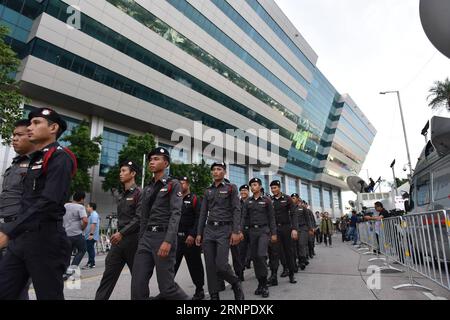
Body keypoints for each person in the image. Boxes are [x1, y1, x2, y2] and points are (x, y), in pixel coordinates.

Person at [0, 108, 76, 300]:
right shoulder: (34, 158)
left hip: (46, 240)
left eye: (36, 123)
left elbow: (49, 201)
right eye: (30, 123)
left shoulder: (60, 157)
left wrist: (9, 230)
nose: (30, 128)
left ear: (53, 128)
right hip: (20, 240)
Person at [131, 147, 188, 300]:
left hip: (163, 237)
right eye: (150, 159)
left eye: (156, 159)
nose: (152, 162)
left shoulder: (173, 184)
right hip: (146, 238)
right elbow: (144, 217)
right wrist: (141, 239)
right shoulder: (147, 188)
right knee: (137, 286)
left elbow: (176, 213)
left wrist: (168, 240)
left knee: (167, 288)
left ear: (166, 163)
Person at [196, 162, 244, 300]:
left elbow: (236, 210)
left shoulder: (231, 188)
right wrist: (199, 233)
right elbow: (203, 213)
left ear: (224, 172)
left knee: (221, 265)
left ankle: (235, 283)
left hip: (225, 229)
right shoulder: (207, 190)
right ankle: (214, 295)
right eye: (214, 170)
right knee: (210, 266)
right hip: (209, 230)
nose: (216, 172)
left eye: (219, 169)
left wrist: (236, 231)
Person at [95, 161, 142, 300]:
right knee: (108, 277)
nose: (120, 173)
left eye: (123, 171)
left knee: (138, 281)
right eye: (120, 171)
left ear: (133, 173)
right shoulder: (122, 194)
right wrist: (119, 234)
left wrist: (122, 233)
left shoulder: (139, 193)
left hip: (133, 242)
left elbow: (139, 218)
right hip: (119, 241)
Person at [0, 119, 36, 300]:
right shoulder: (13, 165)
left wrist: (10, 231)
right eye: (13, 135)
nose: (14, 139)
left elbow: (34, 205)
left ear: (31, 136)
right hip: (3, 229)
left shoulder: (36, 164)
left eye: (19, 135)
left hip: (18, 233)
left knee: (14, 287)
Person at [242, 178, 276, 298]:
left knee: (261, 255)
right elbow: (243, 218)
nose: (253, 187)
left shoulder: (267, 201)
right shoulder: (248, 202)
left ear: (260, 186)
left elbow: (272, 218)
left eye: (255, 185)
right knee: (255, 258)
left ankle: (264, 285)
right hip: (252, 232)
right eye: (251, 185)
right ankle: (260, 284)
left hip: (264, 231)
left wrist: (273, 233)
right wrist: (240, 231)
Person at [174, 176, 205, 300]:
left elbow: (199, 218)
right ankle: (167, 290)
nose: (181, 185)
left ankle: (199, 290)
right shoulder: (175, 199)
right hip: (176, 239)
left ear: (188, 184)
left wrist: (193, 234)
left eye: (183, 183)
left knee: (195, 265)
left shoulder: (195, 199)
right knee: (171, 266)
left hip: (189, 240)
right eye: (179, 183)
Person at [268, 180, 298, 286]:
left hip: (286, 228)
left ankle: (291, 274)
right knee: (274, 253)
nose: (273, 190)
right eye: (272, 188)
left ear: (279, 188)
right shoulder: (269, 200)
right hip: (275, 229)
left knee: (288, 252)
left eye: (275, 188)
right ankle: (274, 276)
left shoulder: (287, 198)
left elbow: (294, 214)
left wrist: (294, 229)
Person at [63, 191, 88, 280]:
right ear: (82, 199)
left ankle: (64, 272)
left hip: (66, 233)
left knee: (67, 253)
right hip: (76, 233)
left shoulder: (66, 205)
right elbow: (85, 220)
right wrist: (82, 228)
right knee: (82, 250)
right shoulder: (80, 207)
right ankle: (71, 270)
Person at [238, 184, 252, 272]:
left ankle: (249, 260)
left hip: (252, 228)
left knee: (252, 249)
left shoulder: (251, 201)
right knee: (241, 251)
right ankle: (240, 272)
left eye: (245, 190)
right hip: (241, 229)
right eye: (242, 190)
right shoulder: (236, 202)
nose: (243, 192)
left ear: (248, 192)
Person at [83, 203, 100, 269]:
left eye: (88, 207)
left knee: (90, 249)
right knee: (89, 249)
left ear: (91, 207)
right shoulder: (91, 215)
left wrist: (91, 234)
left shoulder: (94, 215)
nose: (87, 208)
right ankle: (90, 262)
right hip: (88, 235)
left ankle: (92, 263)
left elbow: (94, 224)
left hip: (91, 236)